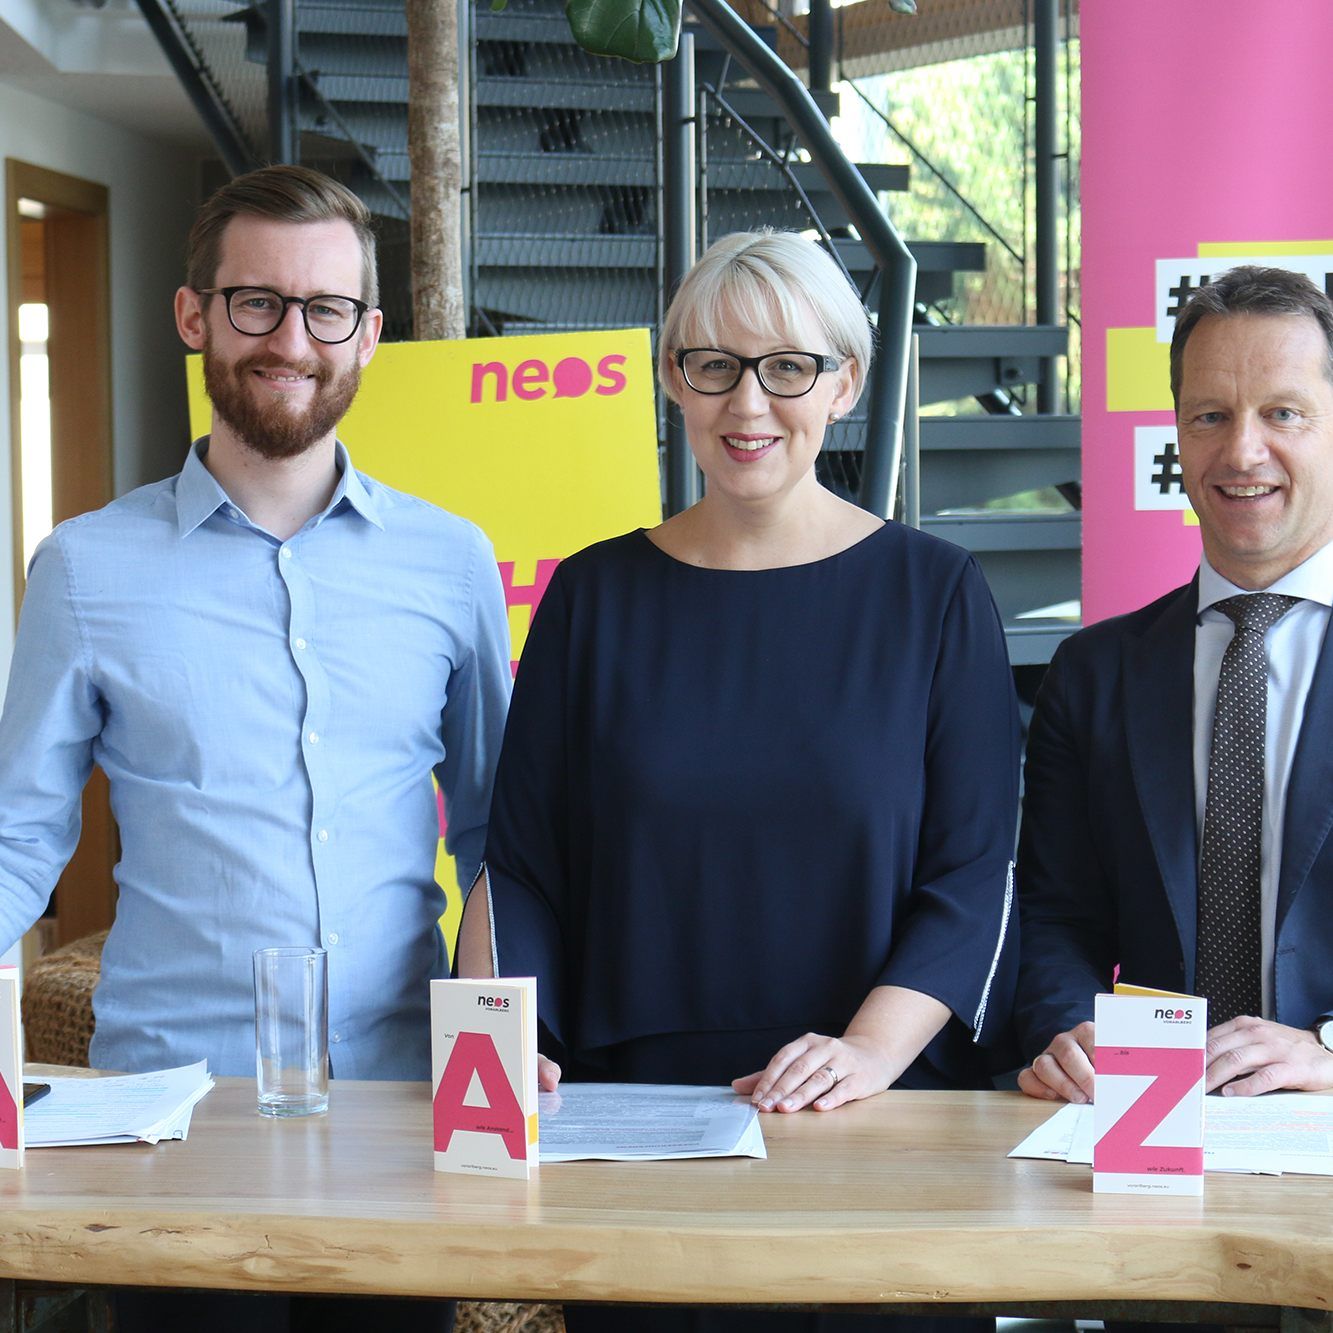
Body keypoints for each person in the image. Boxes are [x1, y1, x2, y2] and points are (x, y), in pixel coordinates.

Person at [460, 230, 1020, 1333]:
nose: (746, 402)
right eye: (711, 364)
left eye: (786, 367)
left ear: (845, 382)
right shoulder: (593, 596)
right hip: (637, 1127)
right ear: (673, 378)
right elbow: (520, 864)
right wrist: (498, 1045)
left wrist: (863, 1052)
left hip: (880, 1114)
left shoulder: (935, 594)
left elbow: (972, 873)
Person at [0, 164, 511, 1331]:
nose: (293, 338)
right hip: (171, 1119)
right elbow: (19, 838)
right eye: (256, 303)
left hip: (397, 1114)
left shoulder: (450, 561)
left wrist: (507, 1048)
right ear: (194, 317)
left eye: (326, 309)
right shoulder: (83, 568)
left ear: (369, 335)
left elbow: (498, 835)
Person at [1016, 265, 1333, 1106]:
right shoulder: (1092, 675)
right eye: (1209, 417)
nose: (1240, 450)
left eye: (1282, 413)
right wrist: (1063, 1031)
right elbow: (1054, 919)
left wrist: (1327, 1051)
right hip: (1138, 1130)